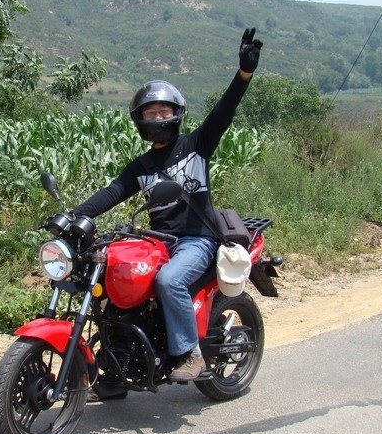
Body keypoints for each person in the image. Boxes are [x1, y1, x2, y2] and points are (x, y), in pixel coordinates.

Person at [73, 27, 263, 382]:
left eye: (164, 112)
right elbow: (113, 191)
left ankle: (190, 354)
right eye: (151, 113)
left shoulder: (196, 146)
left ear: (176, 115)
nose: (158, 118)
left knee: (170, 281)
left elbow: (224, 112)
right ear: (140, 120)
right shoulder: (142, 166)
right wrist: (75, 214)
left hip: (196, 240)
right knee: (115, 279)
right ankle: (117, 365)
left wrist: (243, 75)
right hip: (156, 241)